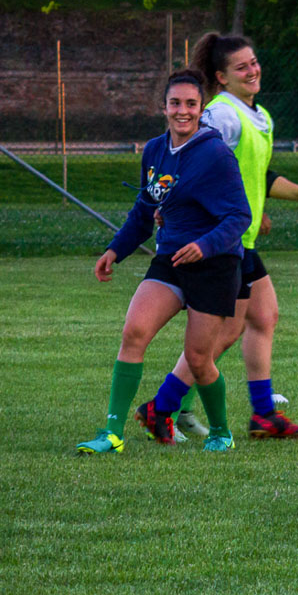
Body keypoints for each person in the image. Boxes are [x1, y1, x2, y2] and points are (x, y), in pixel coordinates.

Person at [132, 33, 298, 445]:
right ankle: (165, 407)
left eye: (254, 62)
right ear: (221, 77)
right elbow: (191, 162)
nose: (253, 70)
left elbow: (257, 176)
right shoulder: (221, 115)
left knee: (263, 317)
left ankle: (259, 414)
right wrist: (172, 205)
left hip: (243, 237)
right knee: (225, 332)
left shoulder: (258, 116)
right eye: (242, 67)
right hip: (219, 242)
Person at [77, 72, 251, 455]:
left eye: (191, 104)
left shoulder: (216, 154)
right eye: (175, 103)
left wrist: (204, 246)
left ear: (201, 109)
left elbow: (240, 216)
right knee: (134, 332)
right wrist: (114, 251)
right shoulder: (155, 151)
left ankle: (221, 432)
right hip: (170, 258)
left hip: (215, 264)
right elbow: (145, 210)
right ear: (164, 107)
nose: (182, 111)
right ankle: (112, 434)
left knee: (199, 359)